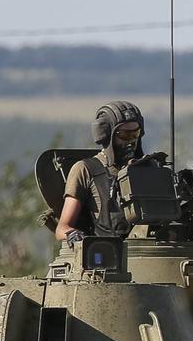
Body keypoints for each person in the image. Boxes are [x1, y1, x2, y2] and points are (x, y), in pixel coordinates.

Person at [56, 100, 148, 243]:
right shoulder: (86, 170)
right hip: (108, 251)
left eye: (135, 134)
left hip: (150, 250)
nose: (131, 141)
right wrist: (73, 235)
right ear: (107, 135)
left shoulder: (148, 168)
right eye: (124, 135)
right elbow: (62, 228)